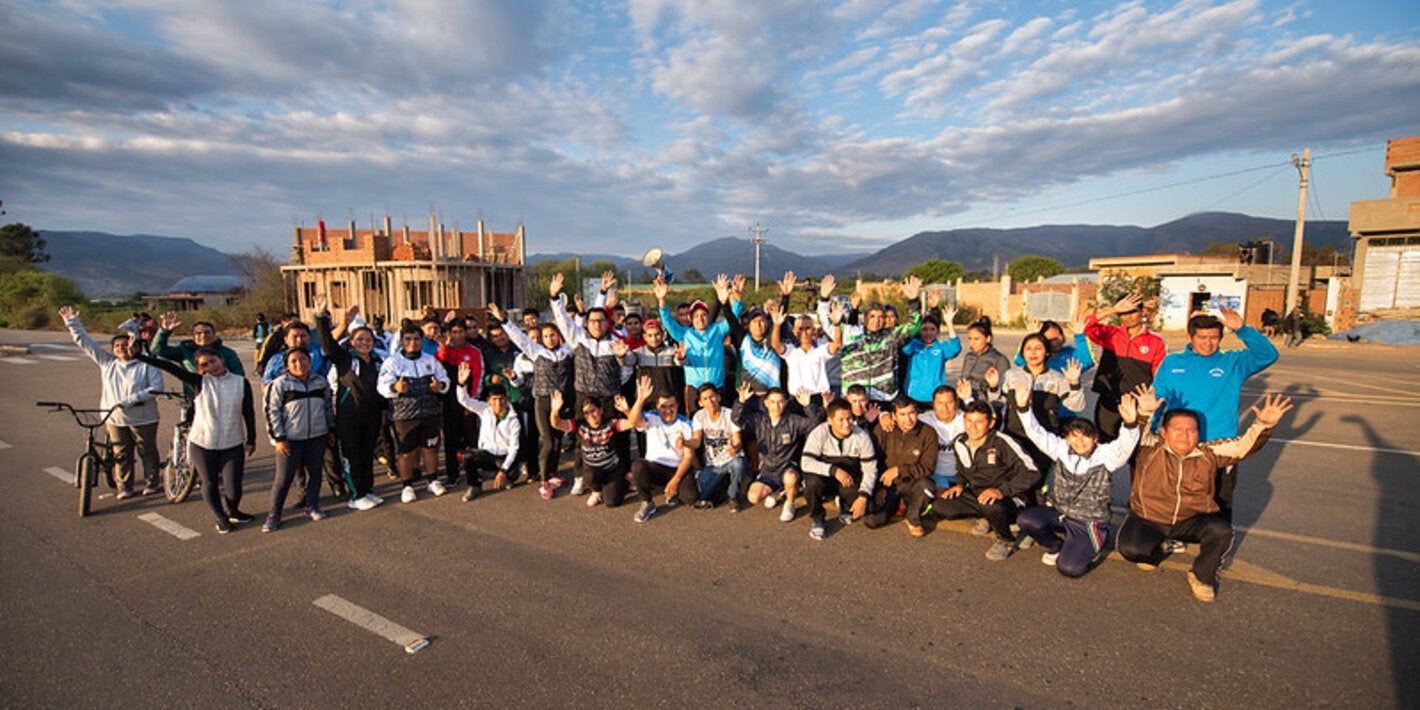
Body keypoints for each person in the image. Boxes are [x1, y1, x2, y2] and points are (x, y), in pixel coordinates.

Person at [1118, 389, 1293, 602]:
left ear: (1198, 434)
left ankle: (1202, 575)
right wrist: (1144, 414)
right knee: (1131, 549)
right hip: (1149, 518)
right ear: (1164, 432)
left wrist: (1263, 425)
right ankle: (1158, 548)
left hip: (1189, 521)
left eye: (1191, 430)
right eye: (1177, 429)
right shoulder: (1150, 448)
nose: (1184, 435)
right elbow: (1135, 437)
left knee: (1221, 531)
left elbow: (1242, 447)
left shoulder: (1208, 454)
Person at [1151, 308, 1278, 521]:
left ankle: (1219, 538)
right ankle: (1179, 533)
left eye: (1214, 338)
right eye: (1202, 338)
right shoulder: (1172, 363)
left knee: (1220, 502)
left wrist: (1242, 330)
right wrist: (1151, 429)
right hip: (1180, 445)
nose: (1208, 344)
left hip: (1220, 446)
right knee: (1178, 499)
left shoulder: (1233, 363)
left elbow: (1268, 355)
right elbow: (1156, 399)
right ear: (1189, 337)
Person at [1011, 381, 1141, 577]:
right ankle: (1055, 546)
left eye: (1086, 437)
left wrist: (1130, 424)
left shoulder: (1106, 456)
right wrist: (1023, 408)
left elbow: (1125, 446)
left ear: (1095, 439)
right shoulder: (1061, 449)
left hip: (1089, 522)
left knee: (1069, 568)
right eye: (1075, 436)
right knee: (1026, 520)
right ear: (1067, 438)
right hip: (1061, 513)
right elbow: (1036, 433)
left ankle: (1091, 545)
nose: (1080, 442)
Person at [138, 348, 257, 533]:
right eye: (204, 365)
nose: (211, 366)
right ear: (200, 369)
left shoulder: (240, 382)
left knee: (233, 486)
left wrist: (251, 439)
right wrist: (137, 356)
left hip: (232, 442)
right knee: (209, 482)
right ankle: (221, 518)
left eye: (213, 361)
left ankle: (233, 511)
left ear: (221, 359)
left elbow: (248, 412)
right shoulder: (199, 382)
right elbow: (170, 367)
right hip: (202, 442)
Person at [61, 306, 165, 498]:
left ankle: (152, 482)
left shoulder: (147, 365)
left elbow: (156, 388)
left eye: (126, 345)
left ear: (135, 345)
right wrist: (72, 322)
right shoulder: (108, 364)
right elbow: (85, 342)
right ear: (112, 350)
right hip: (115, 418)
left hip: (144, 418)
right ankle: (124, 486)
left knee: (147, 450)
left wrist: (129, 400)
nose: (121, 348)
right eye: (117, 346)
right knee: (121, 453)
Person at [934, 400, 1040, 561]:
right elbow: (962, 469)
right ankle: (989, 518)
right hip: (979, 493)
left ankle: (1006, 540)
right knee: (941, 505)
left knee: (990, 504)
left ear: (991, 423)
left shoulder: (1002, 442)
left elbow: (1033, 472)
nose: (973, 427)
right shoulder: (960, 442)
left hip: (1010, 497)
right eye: (969, 421)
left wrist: (1001, 491)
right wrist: (960, 485)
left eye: (979, 422)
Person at [491, 302, 576, 495]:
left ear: (559, 335)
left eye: (552, 335)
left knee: (557, 441)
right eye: (545, 336)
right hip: (543, 401)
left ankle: (552, 472)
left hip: (562, 402)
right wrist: (504, 320)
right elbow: (519, 337)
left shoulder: (567, 350)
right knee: (547, 441)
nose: (549, 339)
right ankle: (543, 480)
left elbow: (569, 326)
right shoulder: (536, 352)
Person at [315, 301, 386, 511]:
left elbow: (382, 390)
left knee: (367, 454)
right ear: (352, 342)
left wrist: (383, 411)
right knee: (352, 456)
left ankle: (367, 489)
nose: (364, 343)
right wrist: (323, 318)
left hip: (372, 416)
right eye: (360, 339)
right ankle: (355, 495)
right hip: (349, 417)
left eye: (368, 339)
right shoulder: (344, 359)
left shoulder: (378, 362)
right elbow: (327, 343)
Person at [548, 379, 653, 508]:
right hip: (593, 471)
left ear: (601, 410)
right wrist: (555, 411)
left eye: (593, 411)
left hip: (612, 469)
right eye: (586, 413)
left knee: (612, 502)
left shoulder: (611, 424)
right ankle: (596, 491)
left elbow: (632, 422)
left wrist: (638, 401)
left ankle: (624, 481)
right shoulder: (580, 426)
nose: (591, 415)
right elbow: (557, 424)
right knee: (589, 476)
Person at [263, 348, 336, 531]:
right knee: (284, 478)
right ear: (287, 365)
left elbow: (328, 407)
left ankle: (312, 505)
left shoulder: (320, 382)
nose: (299, 364)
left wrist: (330, 429)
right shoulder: (279, 384)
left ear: (309, 361)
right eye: (293, 361)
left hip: (317, 436)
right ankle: (274, 514)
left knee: (315, 473)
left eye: (303, 359)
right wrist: (279, 438)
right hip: (291, 439)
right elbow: (272, 412)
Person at [378, 324, 451, 503]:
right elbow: (382, 386)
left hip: (430, 413)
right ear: (402, 342)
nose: (413, 342)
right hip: (404, 416)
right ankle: (407, 486)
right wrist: (395, 388)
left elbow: (444, 379)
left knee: (431, 449)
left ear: (421, 340)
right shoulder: (392, 362)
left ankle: (432, 480)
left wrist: (440, 386)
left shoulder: (430, 360)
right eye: (408, 339)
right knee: (406, 452)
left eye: (417, 339)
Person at [732, 384, 822, 523]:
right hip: (767, 470)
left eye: (780, 402)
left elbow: (816, 426)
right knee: (753, 497)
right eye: (772, 402)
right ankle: (779, 492)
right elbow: (737, 420)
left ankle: (790, 503)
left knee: (790, 478)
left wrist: (808, 406)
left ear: (786, 402)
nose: (776, 406)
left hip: (787, 468)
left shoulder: (793, 420)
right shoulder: (759, 420)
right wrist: (741, 402)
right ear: (766, 403)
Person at [1083, 294, 1167, 442]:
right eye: (1122, 313)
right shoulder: (1111, 334)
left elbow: (1159, 376)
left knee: (1136, 446)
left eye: (1132, 312)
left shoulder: (1156, 342)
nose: (1128, 317)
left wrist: (1151, 402)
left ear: (1142, 312)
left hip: (1138, 404)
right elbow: (1085, 325)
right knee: (1106, 445)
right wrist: (1113, 309)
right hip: (1109, 402)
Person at [799, 397, 877, 541]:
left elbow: (870, 470)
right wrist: (834, 470)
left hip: (848, 479)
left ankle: (844, 504)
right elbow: (806, 462)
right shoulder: (819, 433)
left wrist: (863, 497)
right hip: (825, 478)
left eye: (849, 418)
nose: (846, 424)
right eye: (841, 420)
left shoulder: (862, 436)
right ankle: (818, 519)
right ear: (830, 420)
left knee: (869, 510)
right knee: (811, 483)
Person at [657, 275, 735, 414]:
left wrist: (729, 300)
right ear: (691, 318)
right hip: (694, 387)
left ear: (708, 316)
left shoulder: (718, 330)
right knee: (694, 421)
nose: (700, 319)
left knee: (720, 420)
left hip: (717, 386)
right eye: (696, 316)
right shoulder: (685, 333)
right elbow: (668, 322)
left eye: (703, 315)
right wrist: (662, 301)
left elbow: (734, 317)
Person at [837, 275, 923, 402]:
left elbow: (914, 326)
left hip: (884, 398)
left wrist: (913, 300)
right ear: (864, 319)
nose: (876, 321)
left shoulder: (892, 335)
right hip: (855, 399)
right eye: (872, 316)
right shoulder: (851, 333)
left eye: (880, 317)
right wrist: (824, 298)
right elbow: (826, 323)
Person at [864, 397, 938, 536]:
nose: (908, 419)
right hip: (888, 484)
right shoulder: (883, 430)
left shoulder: (928, 433)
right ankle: (898, 503)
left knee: (927, 487)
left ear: (917, 413)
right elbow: (873, 461)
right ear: (893, 416)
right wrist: (879, 487)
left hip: (912, 482)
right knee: (872, 521)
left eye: (911, 413)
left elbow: (928, 467)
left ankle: (913, 518)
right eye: (902, 414)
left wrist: (899, 470)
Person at [628, 384, 698, 523]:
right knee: (638, 466)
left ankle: (672, 491)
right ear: (657, 407)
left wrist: (675, 480)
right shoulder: (651, 417)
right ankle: (647, 502)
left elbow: (688, 457)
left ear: (677, 405)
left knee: (691, 498)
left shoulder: (685, 423)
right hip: (656, 468)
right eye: (663, 407)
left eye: (672, 406)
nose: (668, 410)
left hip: (676, 469)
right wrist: (640, 399)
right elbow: (633, 421)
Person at [454, 368, 522, 501]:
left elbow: (514, 448)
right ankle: (475, 486)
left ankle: (504, 475)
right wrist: (461, 384)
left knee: (512, 473)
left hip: (503, 456)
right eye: (494, 400)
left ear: (507, 399)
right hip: (487, 454)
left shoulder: (514, 420)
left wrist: (503, 470)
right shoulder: (484, 409)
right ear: (489, 401)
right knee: (468, 457)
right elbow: (464, 401)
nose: (498, 403)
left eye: (501, 399)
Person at [436, 316, 484, 489]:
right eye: (454, 332)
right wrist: (443, 347)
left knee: (472, 439)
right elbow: (438, 367)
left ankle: (475, 471)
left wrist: (472, 402)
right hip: (449, 403)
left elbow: (478, 377)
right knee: (450, 439)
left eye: (461, 332)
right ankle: (452, 474)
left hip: (468, 403)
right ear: (450, 333)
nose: (458, 336)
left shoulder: (474, 352)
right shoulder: (444, 350)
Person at [686, 383, 747, 511]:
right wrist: (684, 442)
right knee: (700, 496)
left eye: (712, 397)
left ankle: (732, 496)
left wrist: (735, 448)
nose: (710, 401)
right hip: (713, 464)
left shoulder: (730, 414)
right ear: (700, 403)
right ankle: (721, 486)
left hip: (731, 459)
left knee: (738, 464)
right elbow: (696, 441)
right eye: (705, 399)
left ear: (718, 397)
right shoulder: (699, 416)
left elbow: (738, 441)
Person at [901, 302, 960, 407]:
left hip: (934, 397)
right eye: (924, 329)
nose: (928, 333)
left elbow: (955, 348)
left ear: (937, 331)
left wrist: (949, 323)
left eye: (932, 329)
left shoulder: (941, 348)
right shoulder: (913, 345)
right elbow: (904, 345)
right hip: (913, 396)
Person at [957, 317, 1011, 407]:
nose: (972, 343)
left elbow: (1004, 390)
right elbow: (963, 378)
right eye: (970, 339)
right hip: (964, 400)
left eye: (976, 339)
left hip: (985, 404)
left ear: (988, 338)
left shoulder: (999, 359)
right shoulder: (969, 357)